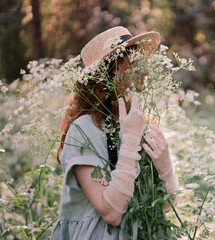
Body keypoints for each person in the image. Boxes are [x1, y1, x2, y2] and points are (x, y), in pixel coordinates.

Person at [51, 26, 179, 240]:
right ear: (117, 66)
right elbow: (112, 213)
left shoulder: (139, 122)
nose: (146, 72)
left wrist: (166, 167)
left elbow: (167, 206)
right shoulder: (83, 131)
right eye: (138, 61)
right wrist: (130, 142)